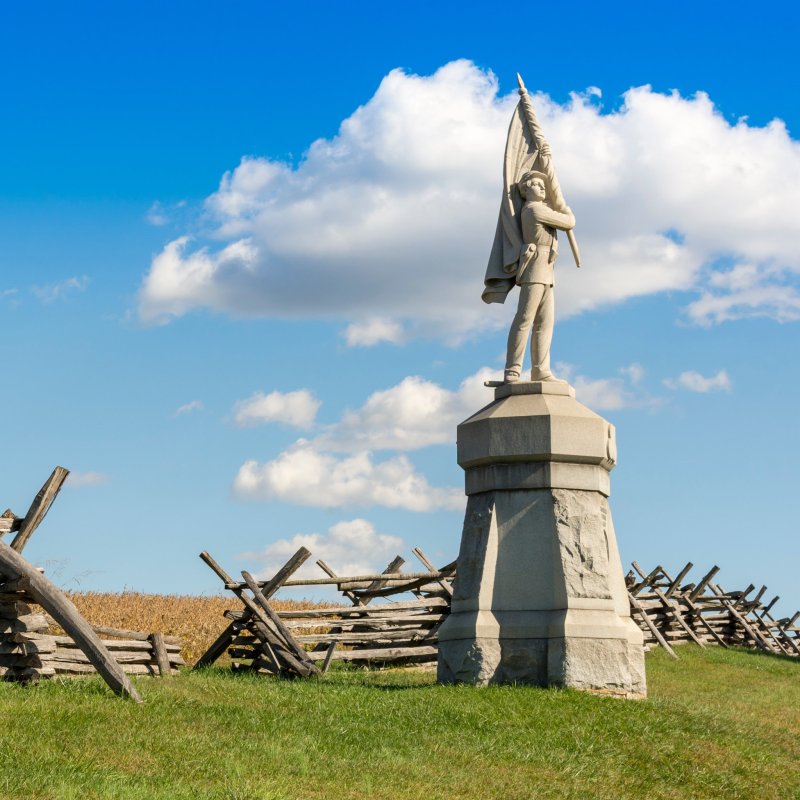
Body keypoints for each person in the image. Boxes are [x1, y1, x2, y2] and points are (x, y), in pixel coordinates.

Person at [502, 168, 575, 383]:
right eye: (537, 184)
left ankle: (540, 370)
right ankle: (513, 370)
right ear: (525, 190)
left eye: (544, 185)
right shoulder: (534, 210)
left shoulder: (540, 208)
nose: (543, 187)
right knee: (525, 319)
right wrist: (563, 206)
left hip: (547, 269)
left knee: (545, 323)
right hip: (535, 267)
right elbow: (569, 222)